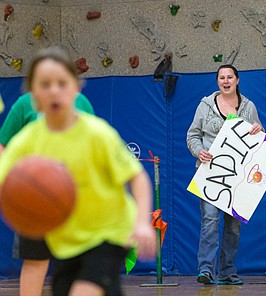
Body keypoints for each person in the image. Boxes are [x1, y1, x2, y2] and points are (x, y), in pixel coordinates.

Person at [0, 44, 156, 296]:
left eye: (62, 83)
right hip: (66, 241)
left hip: (109, 232)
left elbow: (137, 176)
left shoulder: (97, 133)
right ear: (32, 94)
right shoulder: (27, 140)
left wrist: (142, 223)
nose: (54, 91)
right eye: (44, 84)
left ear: (76, 88)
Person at [0, 88, 94, 296]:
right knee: (35, 260)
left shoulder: (81, 102)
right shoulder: (25, 104)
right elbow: (3, 146)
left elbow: (94, 146)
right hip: (33, 198)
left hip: (74, 196)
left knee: (77, 260)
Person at [187, 64, 263, 285]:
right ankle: (206, 270)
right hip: (210, 174)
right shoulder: (205, 105)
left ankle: (228, 271)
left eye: (230, 77)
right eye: (222, 77)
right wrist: (198, 150)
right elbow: (192, 135)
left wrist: (259, 129)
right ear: (217, 81)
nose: (226, 81)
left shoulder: (249, 107)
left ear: (237, 80)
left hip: (238, 176)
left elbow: (259, 140)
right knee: (210, 220)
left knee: (233, 226)